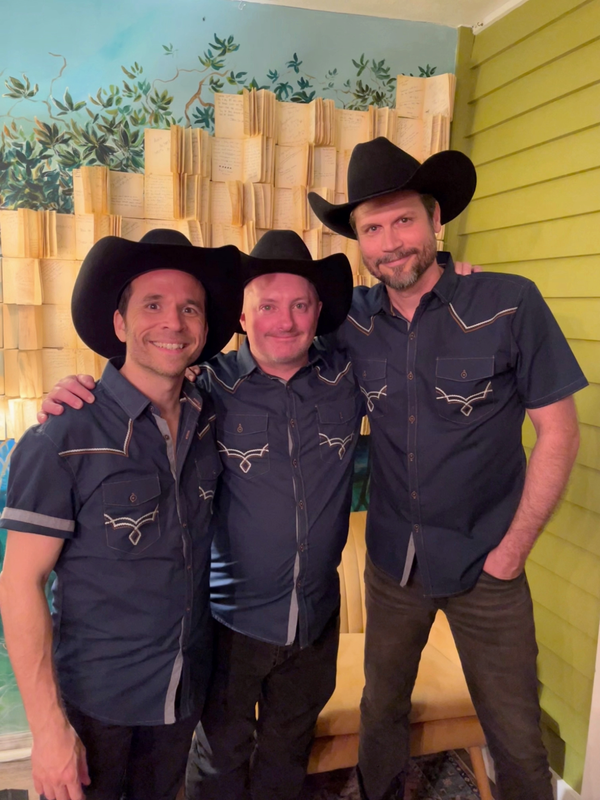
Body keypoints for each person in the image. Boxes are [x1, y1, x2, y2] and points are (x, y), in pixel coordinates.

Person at [308, 137, 588, 800]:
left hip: (489, 561)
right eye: (372, 229)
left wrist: (511, 553)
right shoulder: (348, 323)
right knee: (382, 708)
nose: (389, 243)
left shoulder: (508, 303)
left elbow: (560, 434)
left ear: (436, 220)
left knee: (515, 732)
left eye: (403, 220)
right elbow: (273, 351)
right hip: (393, 564)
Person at [38, 231, 361, 800]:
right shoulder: (207, 386)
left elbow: (400, 318)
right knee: (218, 759)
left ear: (318, 312)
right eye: (267, 305)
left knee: (289, 751)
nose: (284, 322)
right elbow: (143, 381)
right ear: (241, 316)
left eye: (300, 305)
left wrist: (453, 279)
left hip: (316, 620)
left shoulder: (349, 378)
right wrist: (73, 390)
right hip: (229, 624)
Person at [0, 231, 243, 800]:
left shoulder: (210, 417)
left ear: (204, 328)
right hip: (96, 704)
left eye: (189, 308)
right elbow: (19, 584)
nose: (173, 322)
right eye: (152, 305)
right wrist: (48, 731)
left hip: (182, 690)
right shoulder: (62, 436)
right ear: (119, 323)